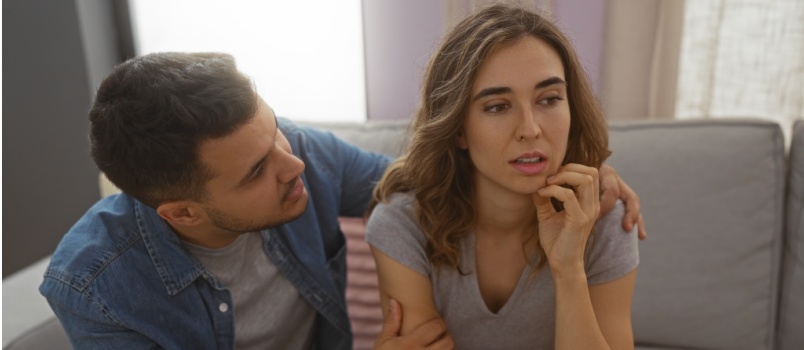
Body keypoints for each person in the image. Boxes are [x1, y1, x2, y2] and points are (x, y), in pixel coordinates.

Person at [39, 51, 639, 349]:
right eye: (256, 171)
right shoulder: (95, 289)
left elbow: (420, 180)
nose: (293, 163)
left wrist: (569, 173)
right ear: (182, 212)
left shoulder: (303, 157)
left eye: (274, 129)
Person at [366, 4, 639, 350]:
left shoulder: (604, 218)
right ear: (459, 130)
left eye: (549, 99)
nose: (530, 129)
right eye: (497, 106)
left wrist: (569, 270)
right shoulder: (402, 225)